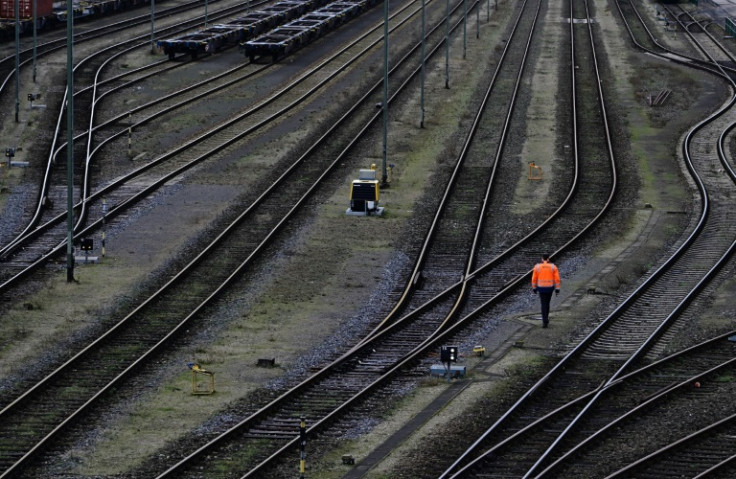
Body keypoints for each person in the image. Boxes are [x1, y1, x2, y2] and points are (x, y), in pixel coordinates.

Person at [531, 254, 561, 328]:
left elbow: (534, 279)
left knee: (543, 304)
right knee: (547, 303)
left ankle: (545, 321)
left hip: (541, 288)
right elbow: (557, 279)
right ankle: (546, 319)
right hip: (549, 288)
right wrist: (557, 289)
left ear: (542, 259)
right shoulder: (553, 267)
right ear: (548, 259)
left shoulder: (537, 267)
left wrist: (534, 288)